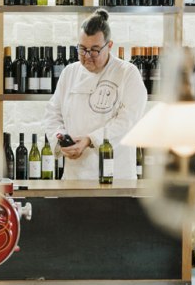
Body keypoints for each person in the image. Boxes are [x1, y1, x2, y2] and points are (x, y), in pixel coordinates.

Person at [43, 9, 147, 180]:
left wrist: (90, 140)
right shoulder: (70, 72)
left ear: (110, 45)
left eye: (95, 50)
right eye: (82, 49)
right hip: (74, 177)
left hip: (115, 177)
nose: (87, 56)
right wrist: (61, 139)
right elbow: (52, 113)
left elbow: (128, 121)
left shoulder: (127, 73)